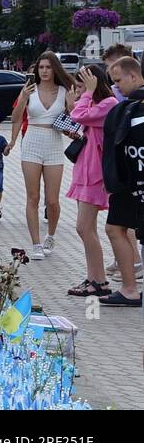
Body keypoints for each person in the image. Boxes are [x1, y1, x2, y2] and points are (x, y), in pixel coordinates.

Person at [8, 50, 77, 260]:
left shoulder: (66, 91)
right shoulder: (29, 89)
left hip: (54, 143)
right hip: (32, 142)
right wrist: (24, 98)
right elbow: (15, 118)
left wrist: (73, 105)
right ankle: (35, 243)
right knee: (33, 196)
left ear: (55, 69)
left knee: (52, 200)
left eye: (48, 67)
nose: (45, 71)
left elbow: (74, 121)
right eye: (41, 67)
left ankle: (51, 236)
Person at [64, 64, 119, 298]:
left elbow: (79, 114)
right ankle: (93, 277)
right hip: (84, 171)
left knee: (84, 227)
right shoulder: (95, 103)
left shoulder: (108, 104)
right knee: (86, 229)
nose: (79, 90)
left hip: (96, 175)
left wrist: (86, 93)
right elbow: (77, 118)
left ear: (94, 82)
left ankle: (100, 281)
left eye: (82, 84)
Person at [99, 56, 144, 308]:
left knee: (115, 229)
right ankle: (129, 288)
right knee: (115, 228)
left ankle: (130, 288)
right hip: (129, 181)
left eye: (118, 82)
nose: (116, 88)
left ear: (134, 76)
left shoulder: (129, 109)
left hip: (129, 182)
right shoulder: (126, 107)